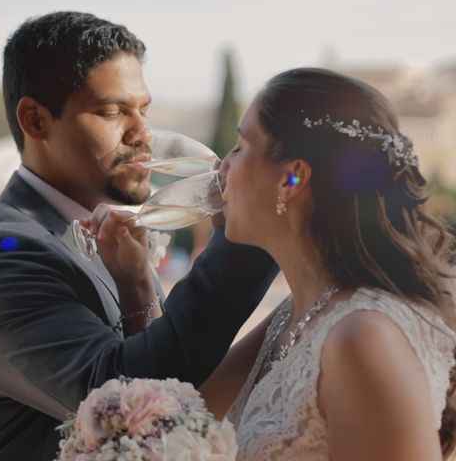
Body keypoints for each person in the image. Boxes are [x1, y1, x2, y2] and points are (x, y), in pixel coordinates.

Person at [0, 11, 277, 461]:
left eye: (144, 111)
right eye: (113, 112)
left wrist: (137, 287)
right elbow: (128, 399)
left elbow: (171, 395)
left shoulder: (113, 233)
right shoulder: (0, 257)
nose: (143, 134)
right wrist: (253, 230)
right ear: (36, 121)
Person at [91, 67, 456, 460]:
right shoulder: (295, 314)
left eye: (241, 146)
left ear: (293, 179)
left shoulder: (361, 338)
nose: (221, 168)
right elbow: (176, 423)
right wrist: (135, 281)